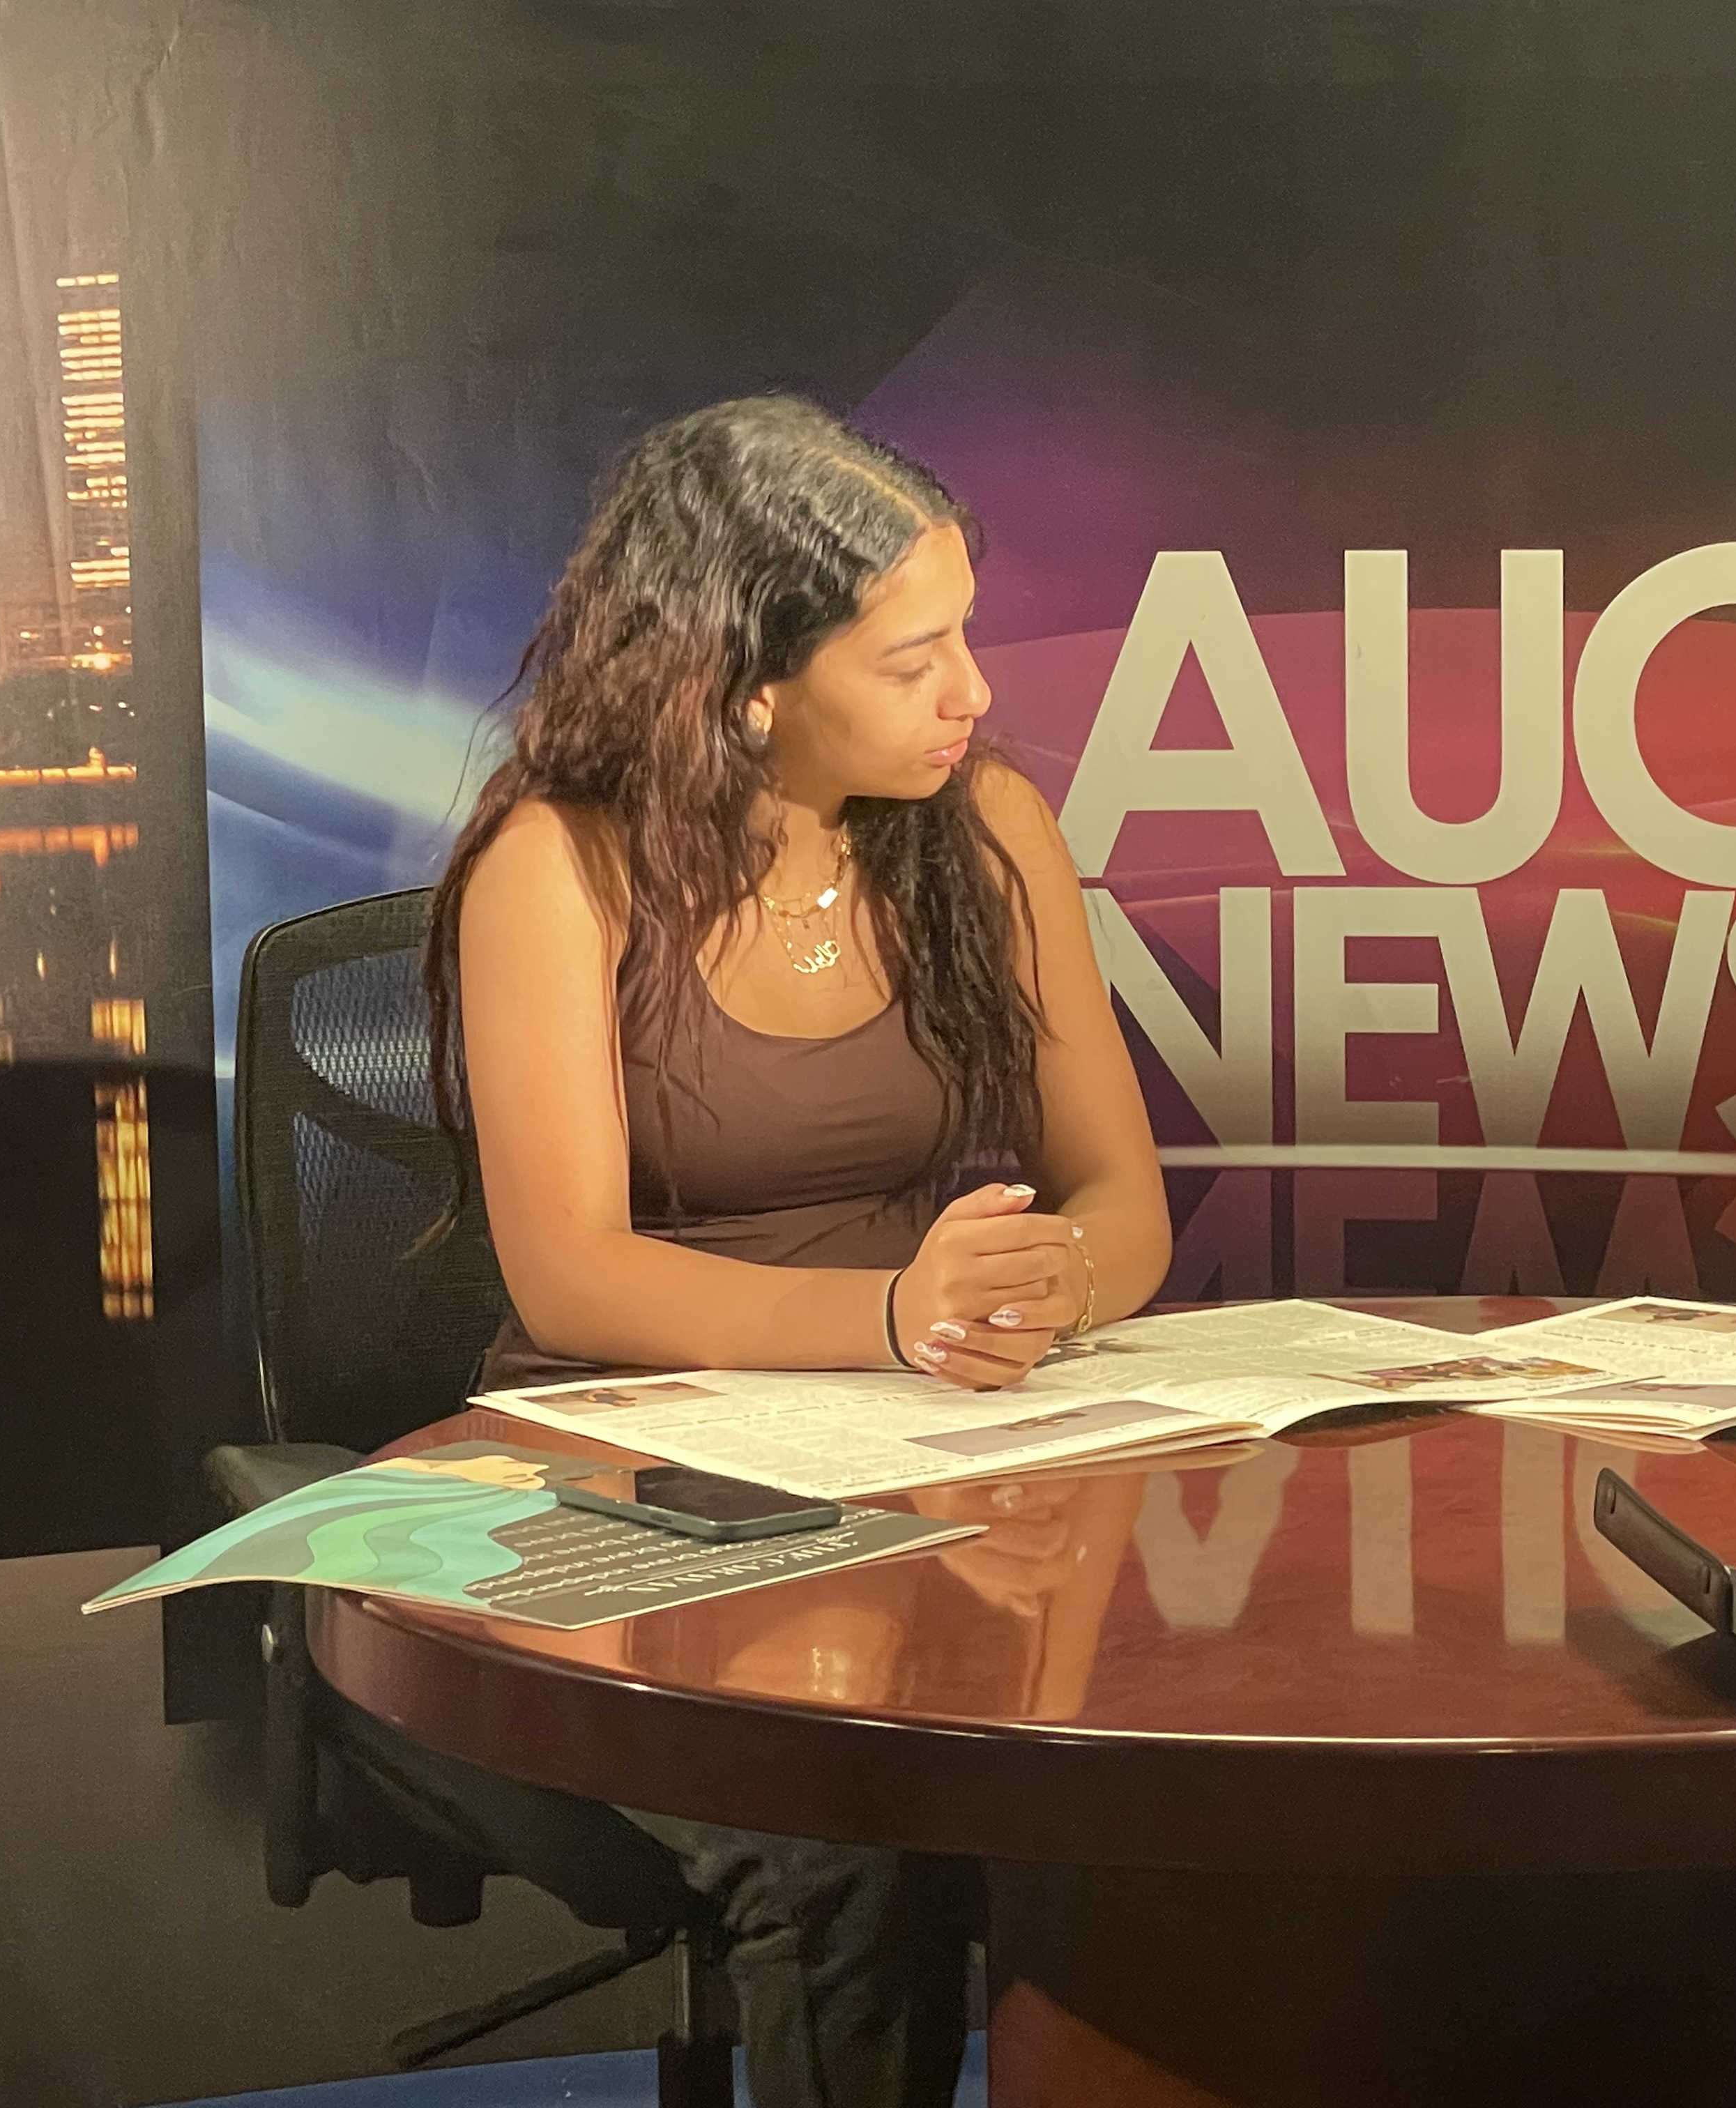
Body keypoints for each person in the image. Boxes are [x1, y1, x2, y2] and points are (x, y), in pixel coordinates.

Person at [422, 395, 1172, 2108]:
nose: (973, 694)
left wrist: (1053, 1285)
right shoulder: (558, 867)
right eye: (915, 661)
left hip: (922, 1466)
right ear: (749, 680)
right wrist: (900, 1318)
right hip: (620, 1487)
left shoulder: (988, 836)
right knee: (837, 1835)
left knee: (1151, 1763)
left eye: (966, 637)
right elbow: (574, 1281)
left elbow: (1121, 1197)